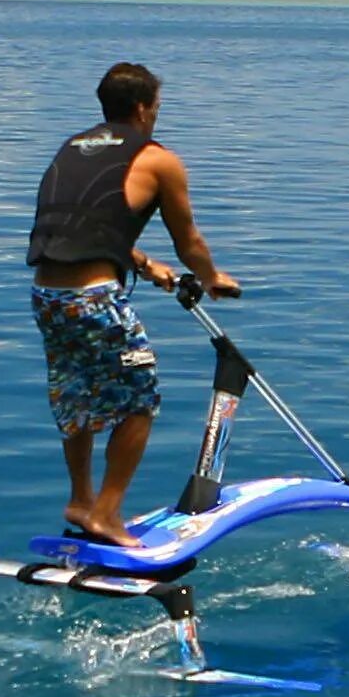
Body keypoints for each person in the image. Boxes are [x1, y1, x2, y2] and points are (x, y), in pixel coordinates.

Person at [27, 62, 240, 547]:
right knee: (139, 399)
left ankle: (80, 500)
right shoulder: (158, 159)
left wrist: (144, 265)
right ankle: (106, 513)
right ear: (144, 108)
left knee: (76, 396)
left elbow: (85, 225)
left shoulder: (74, 146)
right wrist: (211, 278)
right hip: (94, 297)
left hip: (48, 296)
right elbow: (189, 241)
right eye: (157, 108)